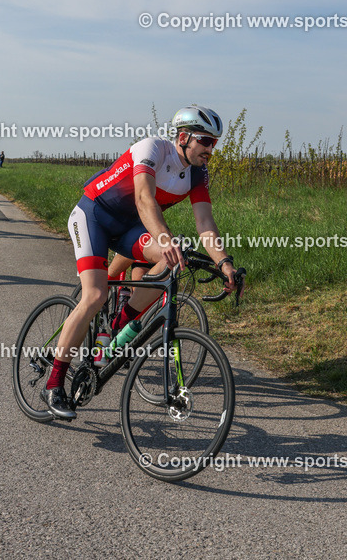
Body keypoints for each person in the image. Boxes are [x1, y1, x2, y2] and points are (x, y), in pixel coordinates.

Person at [41, 106, 238, 420]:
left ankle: (118, 325)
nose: (210, 150)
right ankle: (53, 385)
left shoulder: (198, 173)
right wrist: (164, 238)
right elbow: (144, 199)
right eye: (205, 141)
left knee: (176, 260)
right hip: (93, 215)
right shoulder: (153, 149)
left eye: (214, 143)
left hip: (129, 229)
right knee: (95, 295)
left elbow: (205, 222)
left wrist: (225, 263)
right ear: (183, 138)